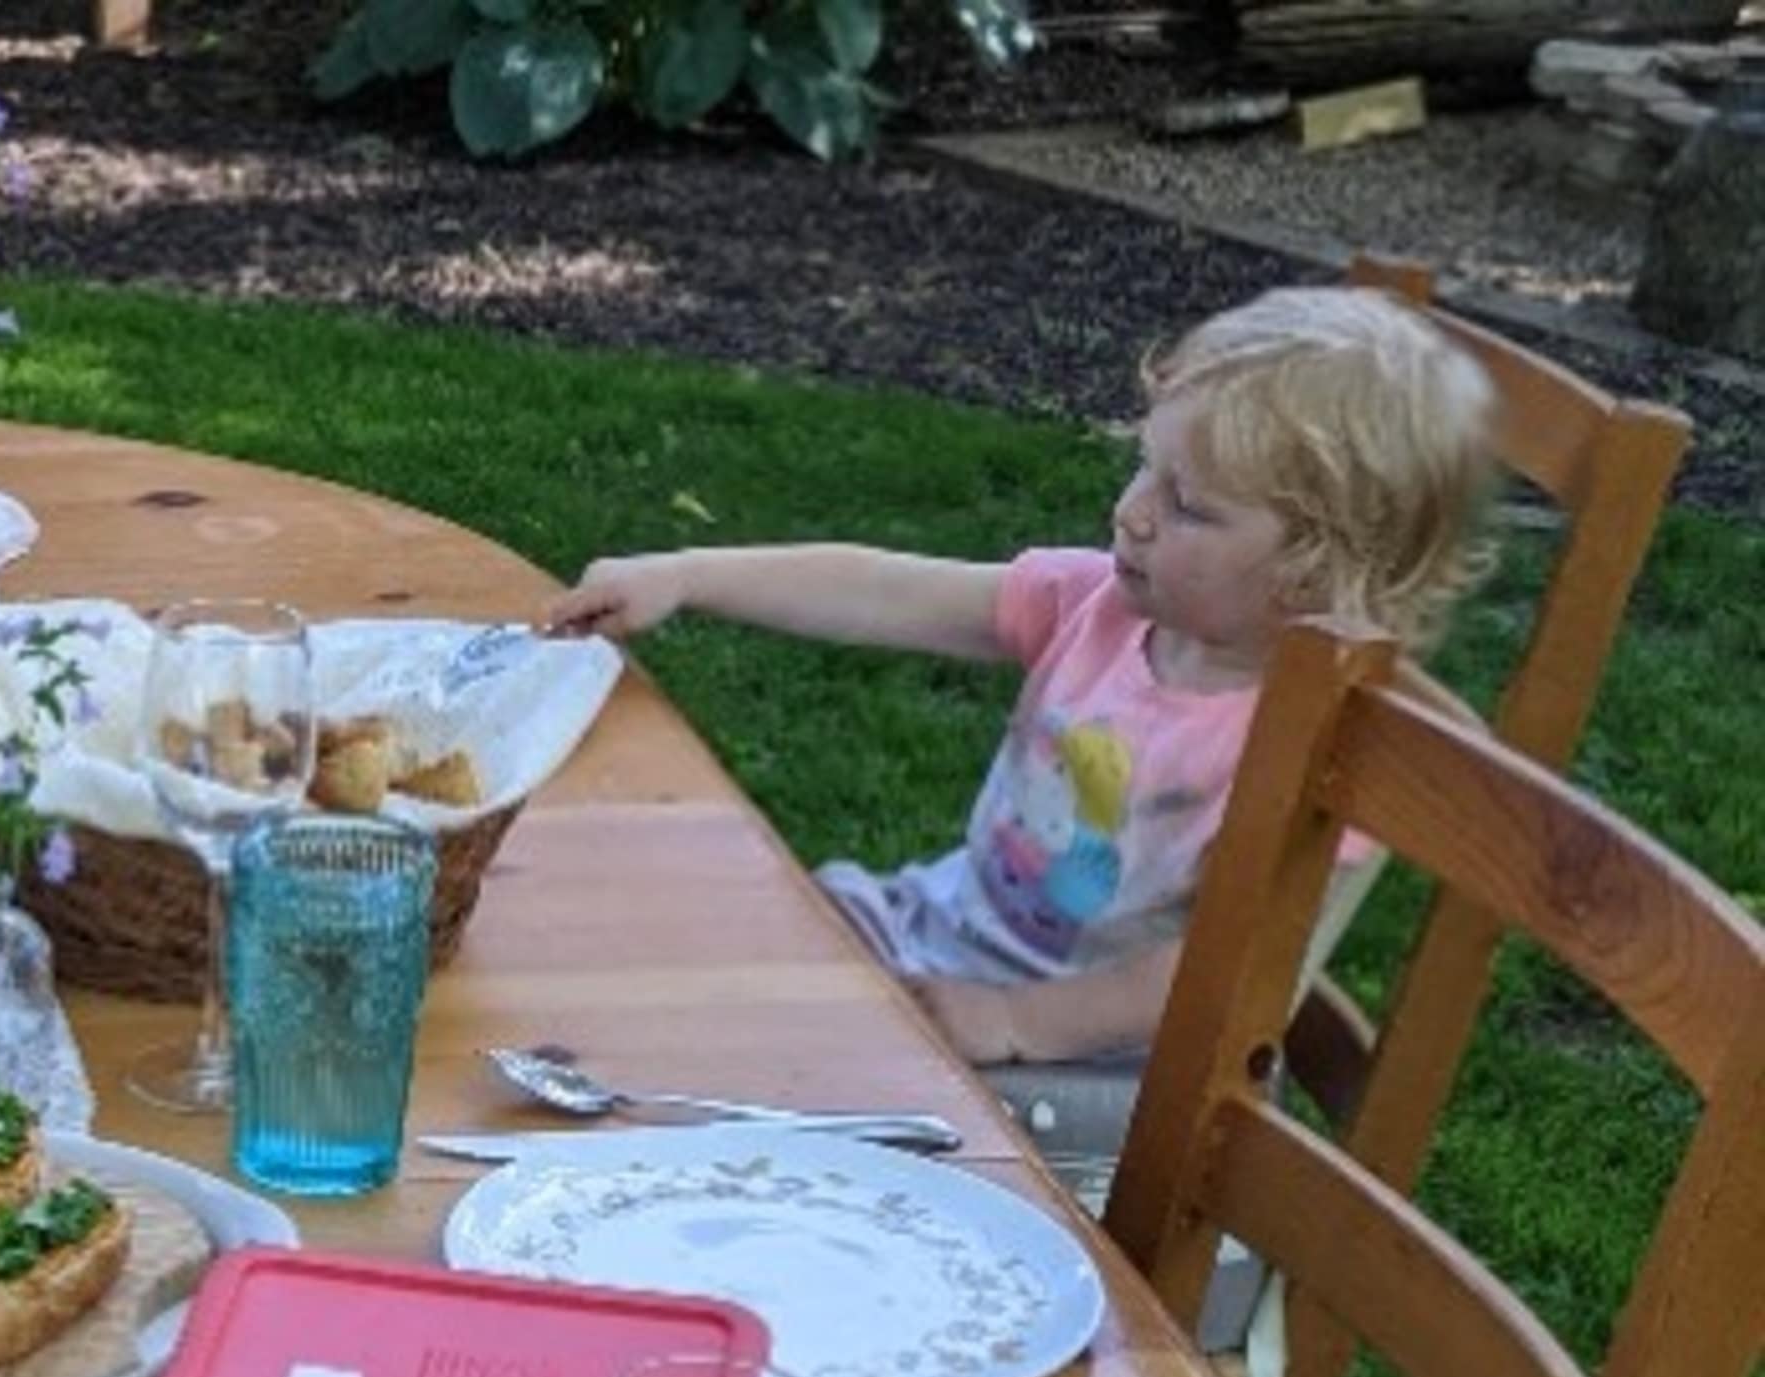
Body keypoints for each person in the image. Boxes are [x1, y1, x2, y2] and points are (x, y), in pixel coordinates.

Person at [544, 286, 1498, 1076]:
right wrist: (686, 576)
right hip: (936, 934)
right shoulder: (1101, 608)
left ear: (1316, 574)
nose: (1131, 513)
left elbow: (1227, 974)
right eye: (1146, 468)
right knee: (684, 942)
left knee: (733, 1061)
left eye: (1187, 505)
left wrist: (1014, 1023)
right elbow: (883, 590)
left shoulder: (1309, 748)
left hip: (1091, 1071)